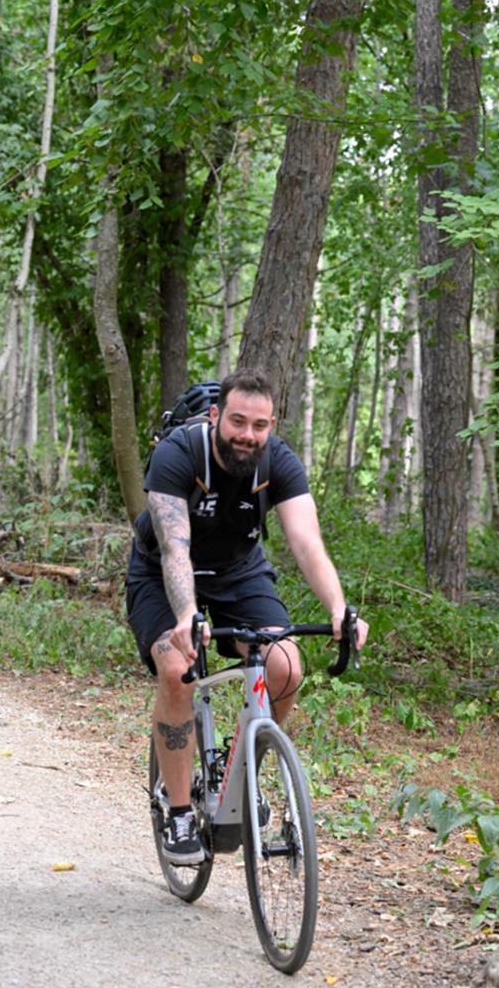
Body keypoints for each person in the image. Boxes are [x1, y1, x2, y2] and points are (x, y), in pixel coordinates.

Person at [126, 367, 368, 865]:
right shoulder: (179, 454)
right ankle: (178, 813)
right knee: (179, 668)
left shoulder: (278, 462)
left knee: (285, 666)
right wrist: (188, 614)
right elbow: (174, 548)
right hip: (163, 572)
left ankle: (240, 778)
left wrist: (339, 608)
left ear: (272, 425)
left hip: (239, 572)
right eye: (238, 422)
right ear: (216, 416)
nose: (247, 435)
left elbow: (306, 542)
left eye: (259, 425)